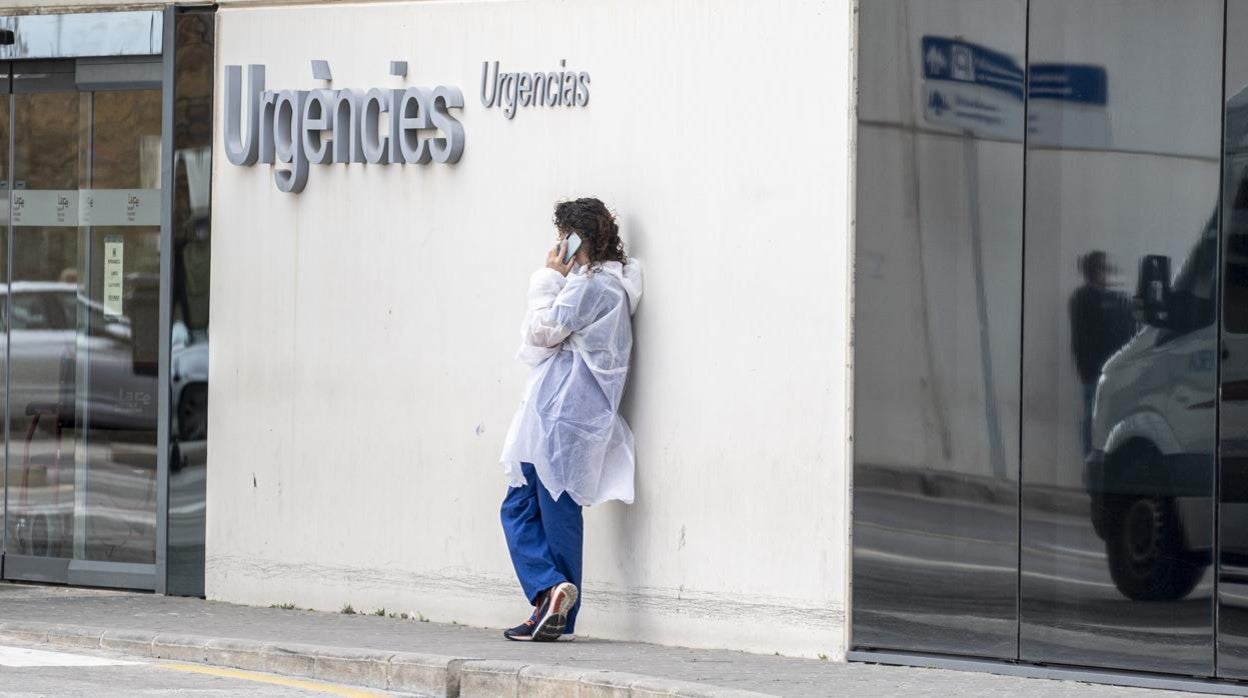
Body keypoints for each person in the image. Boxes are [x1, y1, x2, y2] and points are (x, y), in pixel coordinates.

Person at [498, 197, 643, 642]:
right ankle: (552, 604)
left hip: (561, 418)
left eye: (564, 236)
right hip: (564, 417)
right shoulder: (609, 284)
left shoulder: (591, 287)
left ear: (578, 239)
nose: (559, 244)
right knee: (537, 509)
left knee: (542, 511)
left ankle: (551, 599)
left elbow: (539, 333)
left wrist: (548, 278)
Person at [1068, 250, 1135, 456]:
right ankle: (1091, 460)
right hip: (1095, 373)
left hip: (1112, 372)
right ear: (1095, 272)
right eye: (1106, 269)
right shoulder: (1083, 299)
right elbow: (1100, 332)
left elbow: (1128, 328)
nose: (1110, 274)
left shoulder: (1112, 299)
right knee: (1093, 420)